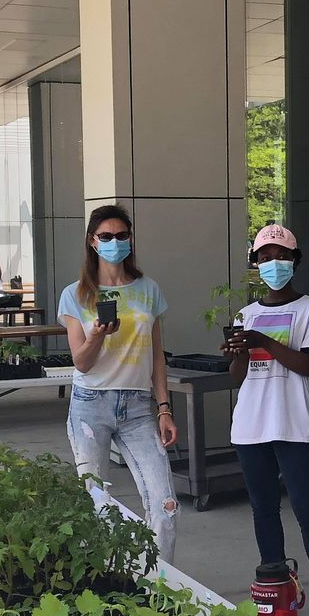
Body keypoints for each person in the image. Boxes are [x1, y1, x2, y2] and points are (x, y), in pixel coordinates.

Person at [222, 224, 309, 616]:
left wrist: (262, 339)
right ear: (254, 264)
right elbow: (237, 376)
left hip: (294, 424)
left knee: (308, 509)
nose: (271, 264)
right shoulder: (246, 313)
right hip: (251, 426)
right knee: (263, 509)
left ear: (294, 261)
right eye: (263, 257)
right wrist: (239, 353)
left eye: (280, 255)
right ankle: (278, 591)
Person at [58, 204, 180, 561]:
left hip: (140, 407)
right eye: (106, 236)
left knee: (166, 505)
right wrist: (97, 335)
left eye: (122, 235)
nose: (115, 242)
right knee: (95, 504)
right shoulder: (76, 295)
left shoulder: (148, 289)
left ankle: (160, 590)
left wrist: (164, 408)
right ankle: (105, 584)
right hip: (90, 405)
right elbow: (80, 360)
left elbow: (158, 355)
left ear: (130, 239)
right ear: (92, 242)